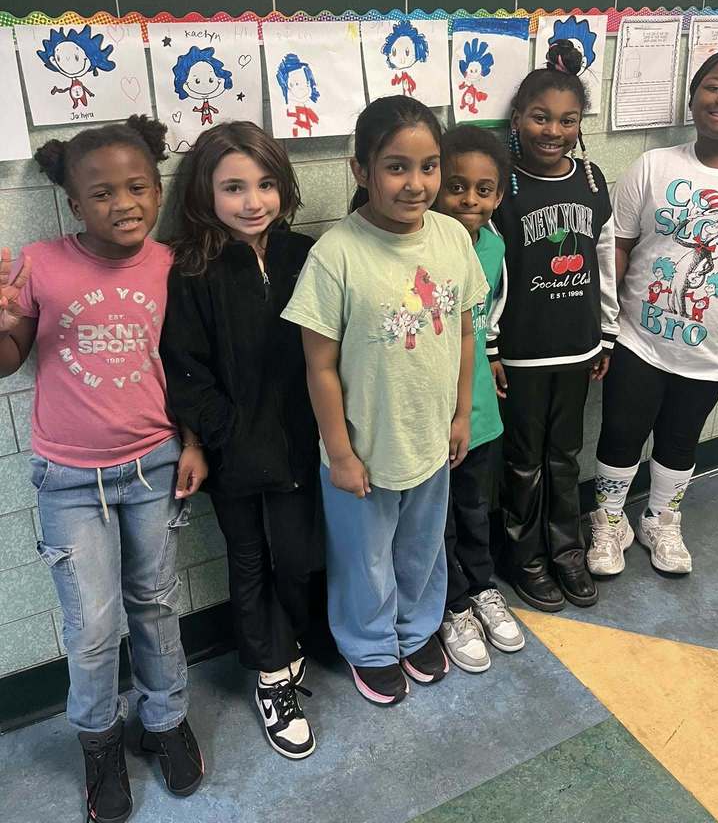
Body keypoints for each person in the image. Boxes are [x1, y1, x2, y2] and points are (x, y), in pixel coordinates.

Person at [0, 116, 205, 823]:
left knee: (154, 603)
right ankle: (99, 743)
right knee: (91, 626)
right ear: (73, 204)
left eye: (139, 187)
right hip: (68, 480)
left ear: (157, 188)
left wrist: (194, 442)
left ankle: (166, 721)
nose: (125, 203)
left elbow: (184, 365)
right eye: (103, 193)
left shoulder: (168, 264)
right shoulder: (40, 263)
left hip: (153, 465)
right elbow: (10, 357)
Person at [282, 95, 488, 705]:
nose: (416, 183)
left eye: (429, 168)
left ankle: (417, 628)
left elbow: (466, 330)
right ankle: (370, 645)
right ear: (360, 171)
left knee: (423, 546)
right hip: (363, 449)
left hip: (431, 438)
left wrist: (459, 414)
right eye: (396, 167)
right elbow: (318, 365)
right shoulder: (335, 255)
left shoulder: (452, 236)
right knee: (364, 559)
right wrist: (340, 453)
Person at [160, 122, 320, 760]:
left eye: (265, 184)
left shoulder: (302, 255)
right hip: (233, 452)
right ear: (206, 192)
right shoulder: (191, 270)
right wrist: (214, 437)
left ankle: (292, 643)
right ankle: (270, 674)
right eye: (233, 187)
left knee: (298, 555)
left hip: (303, 443)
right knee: (249, 560)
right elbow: (185, 368)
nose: (252, 201)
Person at [588, 48, 718, 576]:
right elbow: (617, 245)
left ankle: (661, 519)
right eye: (714, 85)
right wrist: (607, 323)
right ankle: (608, 519)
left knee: (679, 439)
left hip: (714, 349)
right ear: (692, 97)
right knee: (620, 431)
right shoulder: (655, 165)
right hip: (638, 338)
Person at [493, 40, 619, 612]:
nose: (553, 130)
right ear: (518, 118)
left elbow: (606, 260)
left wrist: (607, 332)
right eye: (540, 117)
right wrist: (492, 346)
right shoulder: (499, 183)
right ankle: (526, 557)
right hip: (520, 351)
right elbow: (486, 272)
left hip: (577, 347)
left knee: (565, 455)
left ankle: (566, 550)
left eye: (567, 120)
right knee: (523, 459)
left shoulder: (592, 180)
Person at [434, 125, 524, 672]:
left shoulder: (494, 245)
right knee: (436, 517)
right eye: (457, 186)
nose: (470, 200)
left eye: (484, 190)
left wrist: (491, 356)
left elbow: (488, 311)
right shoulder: (420, 242)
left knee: (471, 506)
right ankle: (450, 605)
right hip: (428, 409)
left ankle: (481, 587)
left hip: (480, 411)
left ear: (499, 194)